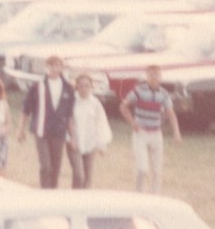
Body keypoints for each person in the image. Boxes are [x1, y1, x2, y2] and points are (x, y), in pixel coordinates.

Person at [118, 64, 181, 193]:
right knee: (142, 169)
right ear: (146, 76)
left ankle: (155, 197)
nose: (154, 78)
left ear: (161, 76)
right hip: (141, 133)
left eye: (157, 75)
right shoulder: (139, 90)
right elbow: (123, 106)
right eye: (151, 75)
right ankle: (139, 195)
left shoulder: (164, 94)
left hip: (156, 134)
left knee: (157, 170)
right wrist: (132, 122)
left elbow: (170, 113)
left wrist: (176, 132)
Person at [17, 55, 75, 188]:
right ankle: (44, 193)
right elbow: (26, 109)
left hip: (59, 131)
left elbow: (69, 114)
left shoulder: (68, 88)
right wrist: (21, 129)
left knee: (56, 167)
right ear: (47, 67)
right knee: (46, 166)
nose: (55, 68)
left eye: (58, 65)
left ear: (62, 67)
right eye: (52, 65)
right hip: (41, 130)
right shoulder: (38, 86)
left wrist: (72, 136)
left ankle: (52, 194)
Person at [66, 72, 114, 188]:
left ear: (91, 87)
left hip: (90, 143)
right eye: (81, 85)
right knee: (79, 175)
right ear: (77, 86)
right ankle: (74, 201)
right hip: (74, 143)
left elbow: (101, 124)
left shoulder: (95, 103)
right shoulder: (71, 101)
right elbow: (66, 121)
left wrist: (102, 145)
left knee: (88, 178)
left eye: (87, 85)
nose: (84, 88)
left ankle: (85, 203)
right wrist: (69, 139)